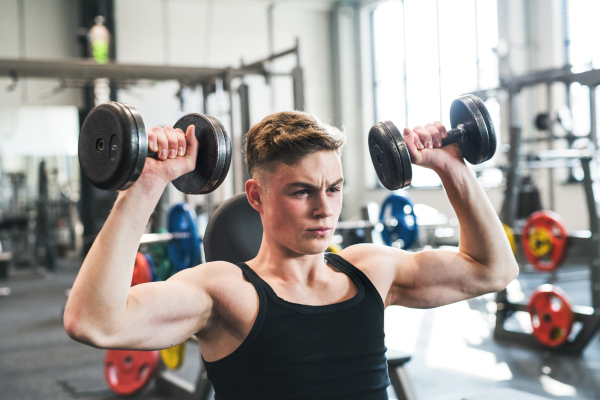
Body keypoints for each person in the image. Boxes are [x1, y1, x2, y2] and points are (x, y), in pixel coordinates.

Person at [64, 111, 519, 399]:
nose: (325, 208)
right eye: (302, 192)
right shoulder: (227, 291)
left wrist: (450, 167)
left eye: (334, 189)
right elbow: (94, 321)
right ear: (256, 197)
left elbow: (492, 269)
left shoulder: (370, 271)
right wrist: (147, 184)